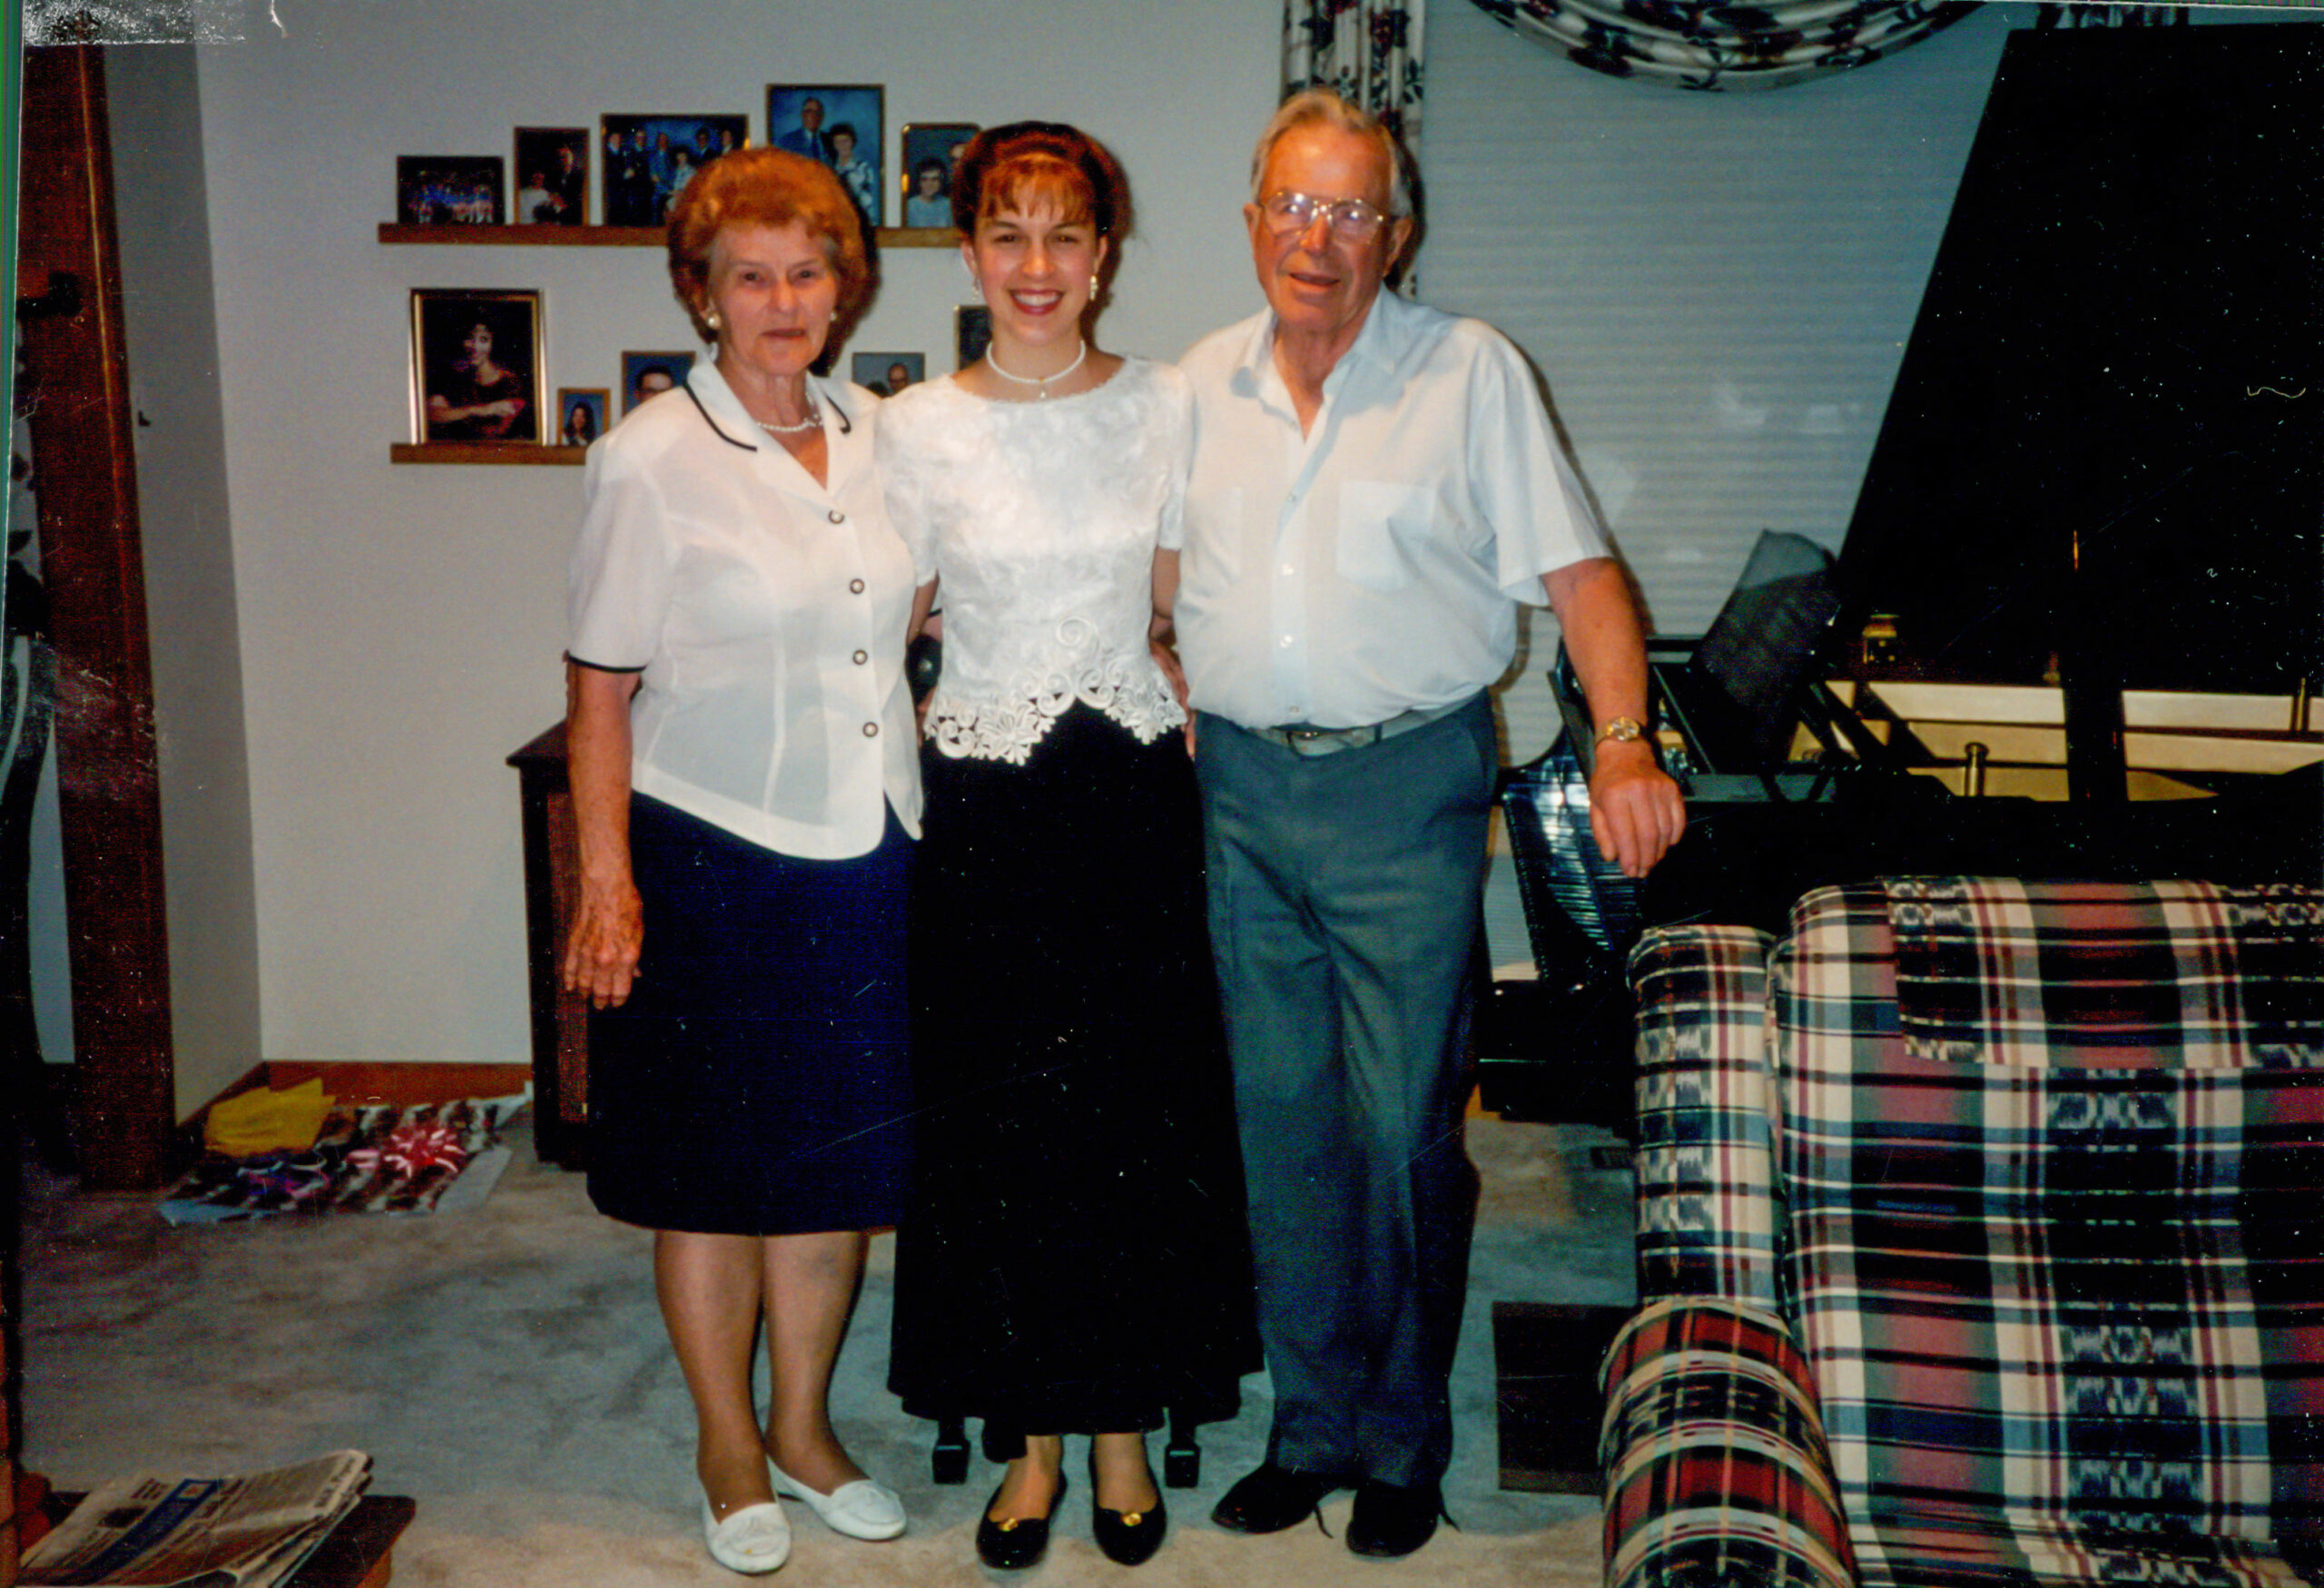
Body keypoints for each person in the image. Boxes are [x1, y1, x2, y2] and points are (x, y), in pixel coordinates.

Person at [1165, 90, 1687, 1560]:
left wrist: (1630, 738)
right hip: (1245, 792)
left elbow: (1582, 579)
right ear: (1251, 214)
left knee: (1403, 1132)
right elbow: (1158, 579)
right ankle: (1311, 1423)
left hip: (1407, 787)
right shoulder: (1199, 383)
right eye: (1291, 205)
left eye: (1349, 212)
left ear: (1398, 233)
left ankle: (1403, 1439)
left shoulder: (1470, 374)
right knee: (1284, 1126)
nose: (1314, 240)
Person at [879, 122, 1256, 1574]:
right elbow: (889, 618)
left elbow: (1178, 600)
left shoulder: (1168, 407)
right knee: (1004, 1120)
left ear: (1105, 257)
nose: (1037, 265)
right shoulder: (913, 426)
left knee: (1128, 1118)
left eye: (1065, 235)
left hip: (1124, 792)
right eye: (1009, 234)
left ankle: (1117, 1422)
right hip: (981, 796)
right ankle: (1030, 1441)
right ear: (970, 254)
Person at [563, 145, 920, 1576]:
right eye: (749, 277)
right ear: (702, 297)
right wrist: (607, 880)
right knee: (713, 1166)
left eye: (808, 272)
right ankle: (726, 1440)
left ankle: (806, 1426)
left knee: (831, 1163)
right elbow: (597, 686)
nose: (783, 301)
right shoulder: (648, 457)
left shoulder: (883, 431)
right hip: (711, 851)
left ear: (844, 289)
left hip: (869, 843)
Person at [425, 319, 529, 440]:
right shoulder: (454, 376)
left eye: (484, 340)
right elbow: (431, 414)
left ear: (493, 344)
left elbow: (497, 431)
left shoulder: (510, 381)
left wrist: (455, 414)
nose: (475, 347)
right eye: (470, 338)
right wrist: (477, 410)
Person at [828, 123, 880, 220]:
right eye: (838, 142)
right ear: (834, 145)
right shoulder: (830, 171)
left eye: (845, 141)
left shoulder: (864, 168)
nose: (842, 145)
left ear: (852, 141)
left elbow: (868, 201)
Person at [776, 96, 832, 161]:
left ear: (822, 116)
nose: (813, 116)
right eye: (809, 111)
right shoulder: (787, 141)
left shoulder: (830, 140)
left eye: (817, 112)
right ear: (802, 114)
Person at [902, 156, 949, 227]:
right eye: (924, 179)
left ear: (941, 182)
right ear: (918, 182)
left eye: (934, 179)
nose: (929, 184)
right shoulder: (908, 207)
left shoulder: (948, 205)